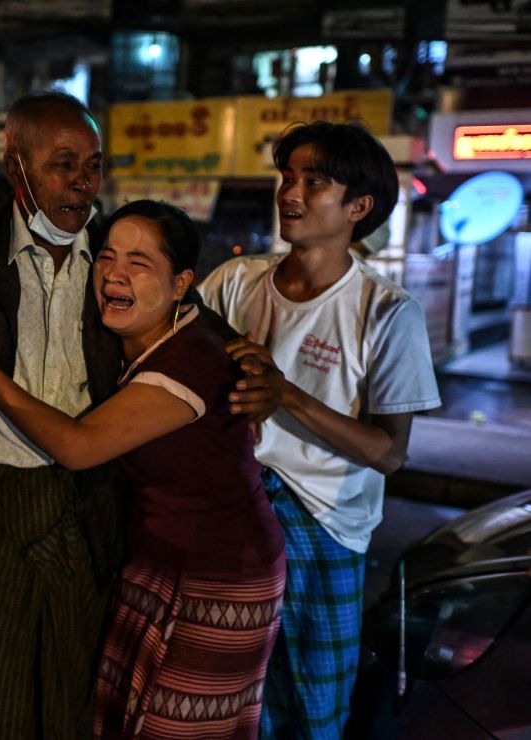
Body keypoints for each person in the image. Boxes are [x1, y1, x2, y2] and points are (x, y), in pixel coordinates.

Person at [0, 199, 286, 739]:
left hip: (215, 577)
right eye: (106, 257)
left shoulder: (192, 358)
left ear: (180, 285)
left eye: (140, 263)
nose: (115, 275)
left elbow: (79, 446)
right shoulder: (142, 337)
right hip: (158, 563)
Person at [197, 121, 442, 739]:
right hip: (231, 510)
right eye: (287, 176)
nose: (290, 192)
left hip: (325, 527)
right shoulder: (234, 283)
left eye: (315, 180)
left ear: (358, 207)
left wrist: (284, 396)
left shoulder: (387, 312)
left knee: (312, 707)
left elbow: (388, 453)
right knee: (226, 693)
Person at [0, 89, 124, 739]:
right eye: (64, 164)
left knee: (71, 682)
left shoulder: (119, 259)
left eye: (93, 165)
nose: (83, 184)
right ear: (17, 170)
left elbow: (184, 328)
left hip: (83, 490)